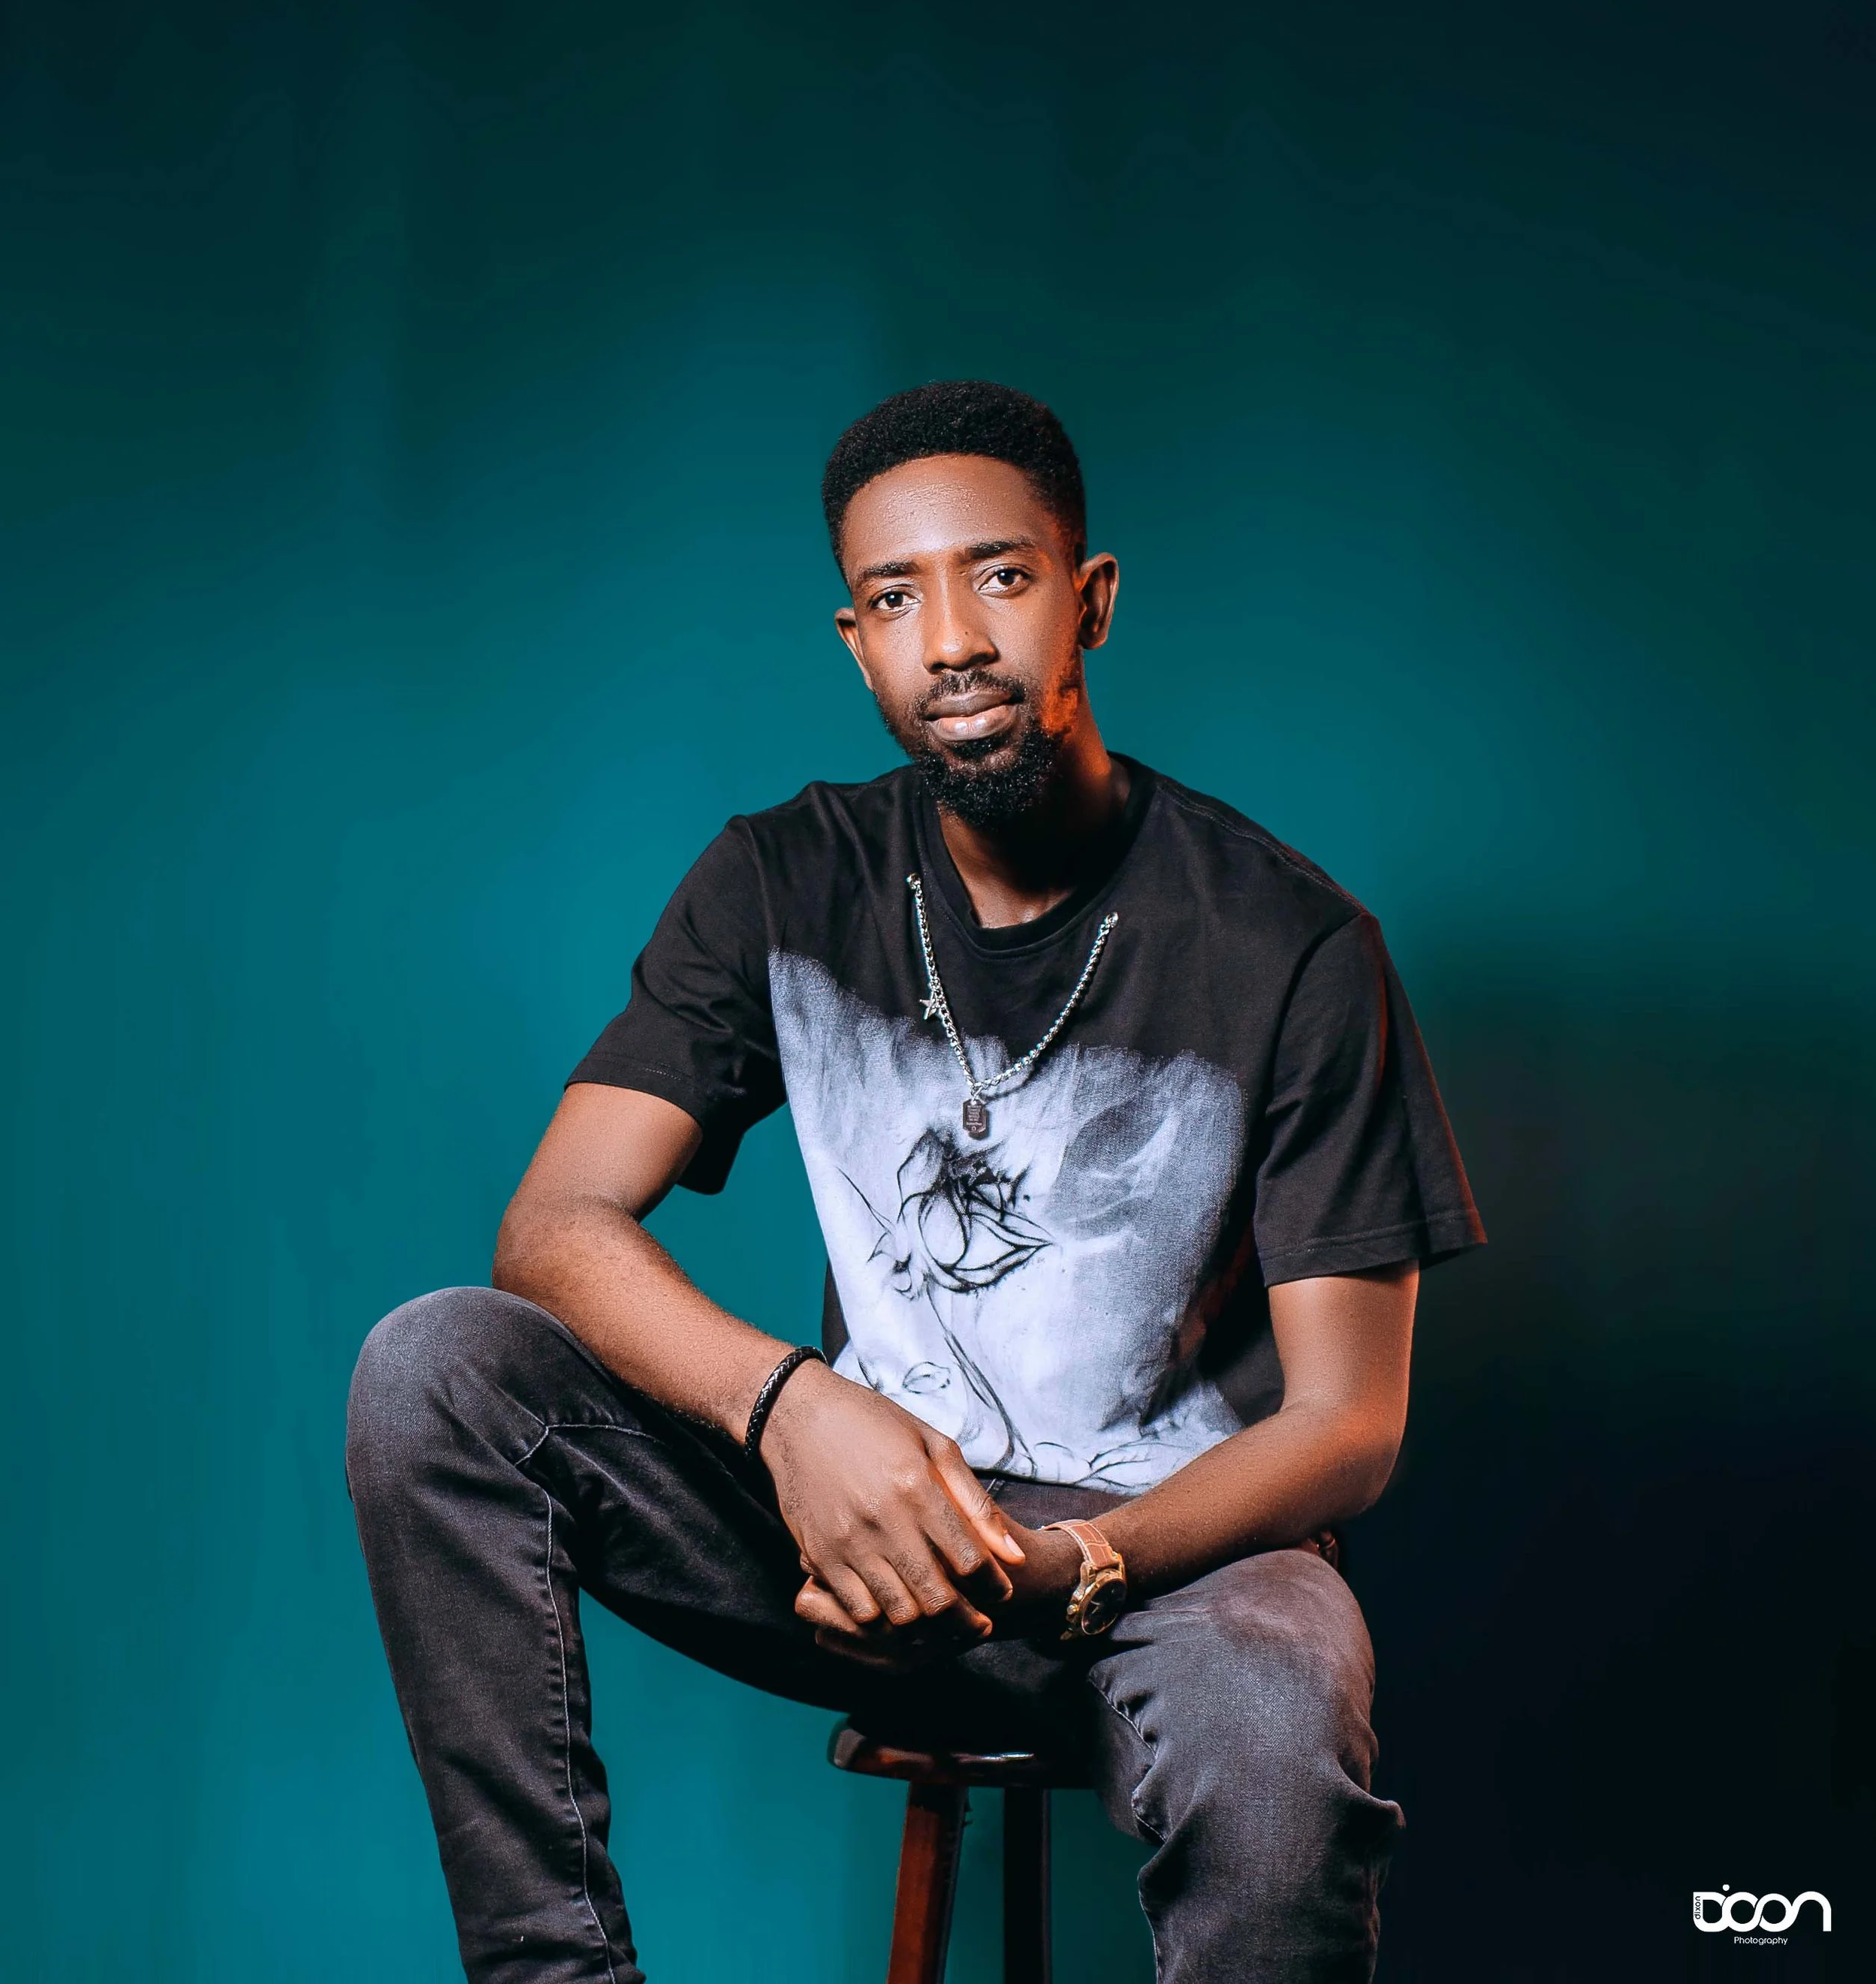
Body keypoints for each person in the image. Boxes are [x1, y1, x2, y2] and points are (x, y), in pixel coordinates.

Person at [347, 381, 1485, 1984]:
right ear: (855, 638)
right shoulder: (779, 880)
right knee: (433, 1366)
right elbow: (552, 1226)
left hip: (1172, 1565)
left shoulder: (1292, 944)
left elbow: (1347, 1422)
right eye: (896, 595)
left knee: (1277, 1729)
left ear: (1086, 598)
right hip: (854, 1537)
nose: (949, 635)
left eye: (998, 576)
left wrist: (1068, 1563)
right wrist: (793, 1413)